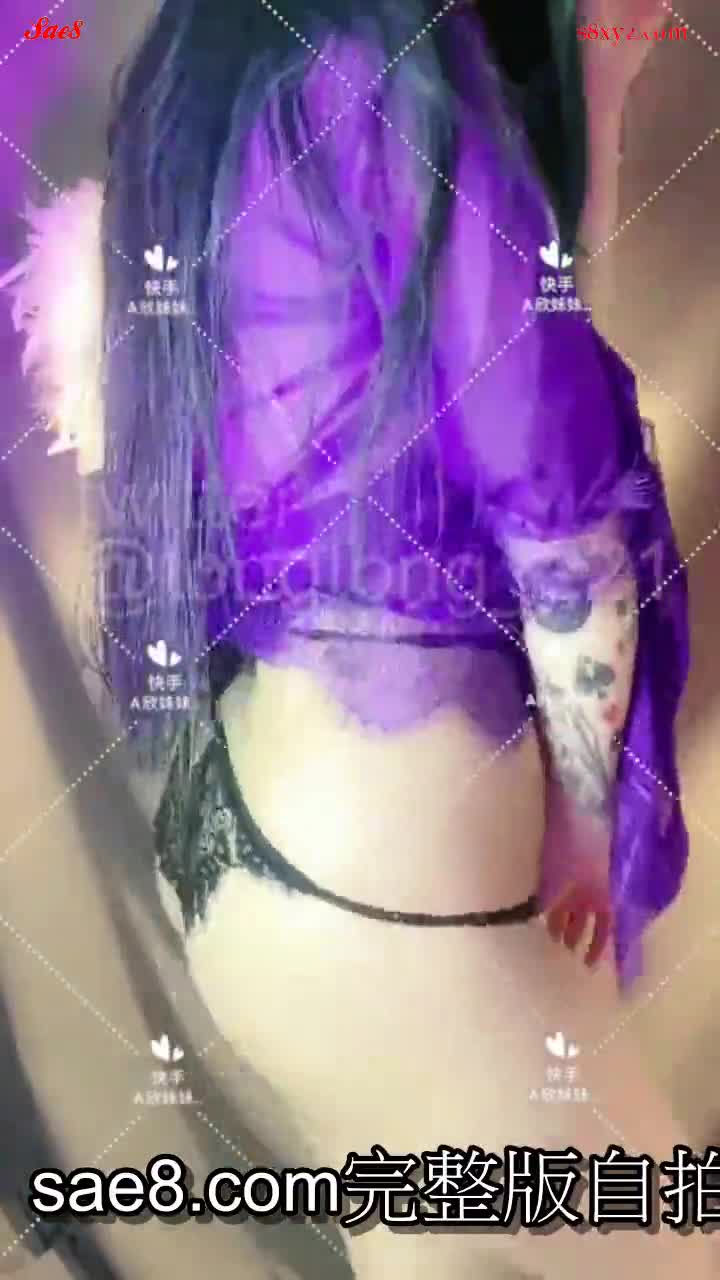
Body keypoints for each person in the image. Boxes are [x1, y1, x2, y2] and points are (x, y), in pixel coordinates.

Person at [3, 1, 715, 1275]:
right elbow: (561, 514)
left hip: (239, 863)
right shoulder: (384, 74)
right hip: (392, 881)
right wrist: (588, 814)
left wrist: (591, 99)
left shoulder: (195, 68)